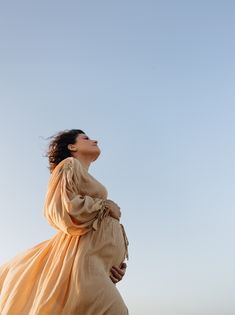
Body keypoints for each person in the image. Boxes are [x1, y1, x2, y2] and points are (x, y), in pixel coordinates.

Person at [0, 129, 129, 314]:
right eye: (86, 138)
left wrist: (111, 265)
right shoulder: (69, 165)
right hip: (83, 266)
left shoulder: (82, 174)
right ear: (72, 146)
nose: (95, 140)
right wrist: (105, 206)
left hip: (97, 268)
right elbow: (60, 208)